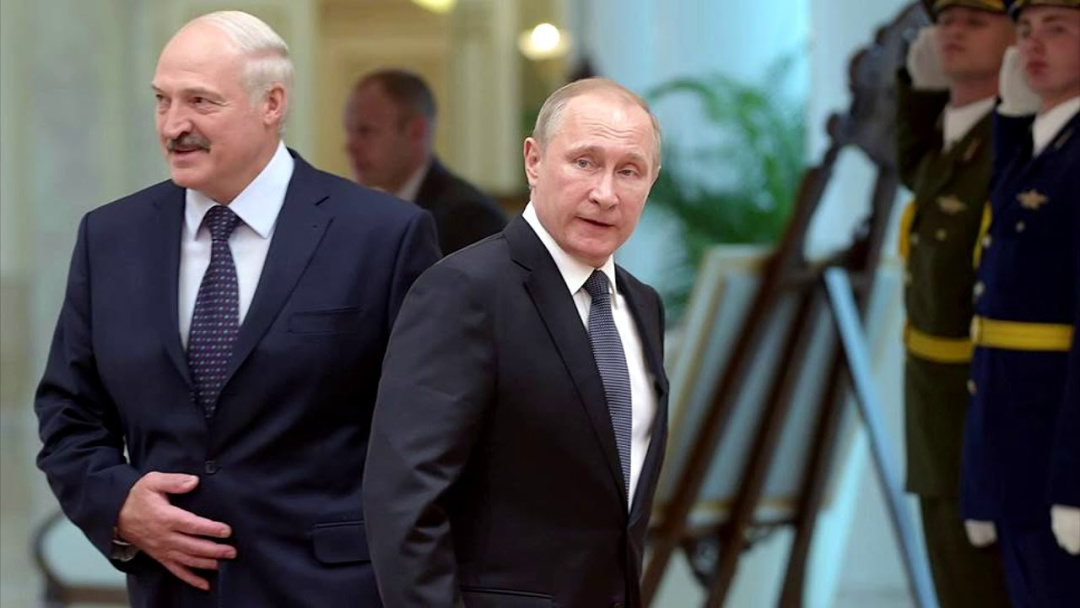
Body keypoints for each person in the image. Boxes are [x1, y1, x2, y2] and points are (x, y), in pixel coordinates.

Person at [34, 11, 439, 607]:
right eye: (162, 100)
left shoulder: (383, 236)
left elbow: (433, 434)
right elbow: (69, 414)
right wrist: (118, 503)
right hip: (172, 591)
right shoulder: (110, 237)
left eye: (200, 101)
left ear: (271, 103)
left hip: (334, 590)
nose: (174, 125)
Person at [362, 78, 668, 607]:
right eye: (584, 162)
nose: (605, 193)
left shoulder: (642, 305)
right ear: (534, 160)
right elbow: (404, 504)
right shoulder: (464, 290)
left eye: (629, 171)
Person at [895, 2, 1015, 605]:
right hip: (938, 424)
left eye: (976, 20)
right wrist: (917, 94)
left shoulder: (1015, 144)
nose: (954, 31)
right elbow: (920, 172)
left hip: (987, 421)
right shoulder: (957, 139)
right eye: (947, 19)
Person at [960, 0, 1080, 605]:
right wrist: (980, 479)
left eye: (1056, 29)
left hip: (1056, 454)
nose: (1032, 44)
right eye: (1026, 30)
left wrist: (1075, 485)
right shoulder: (1039, 149)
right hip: (1015, 458)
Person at [344, 69, 507, 255]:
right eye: (349, 131)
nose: (350, 146)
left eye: (365, 131)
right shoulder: (369, 214)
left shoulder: (468, 219)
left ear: (416, 131)